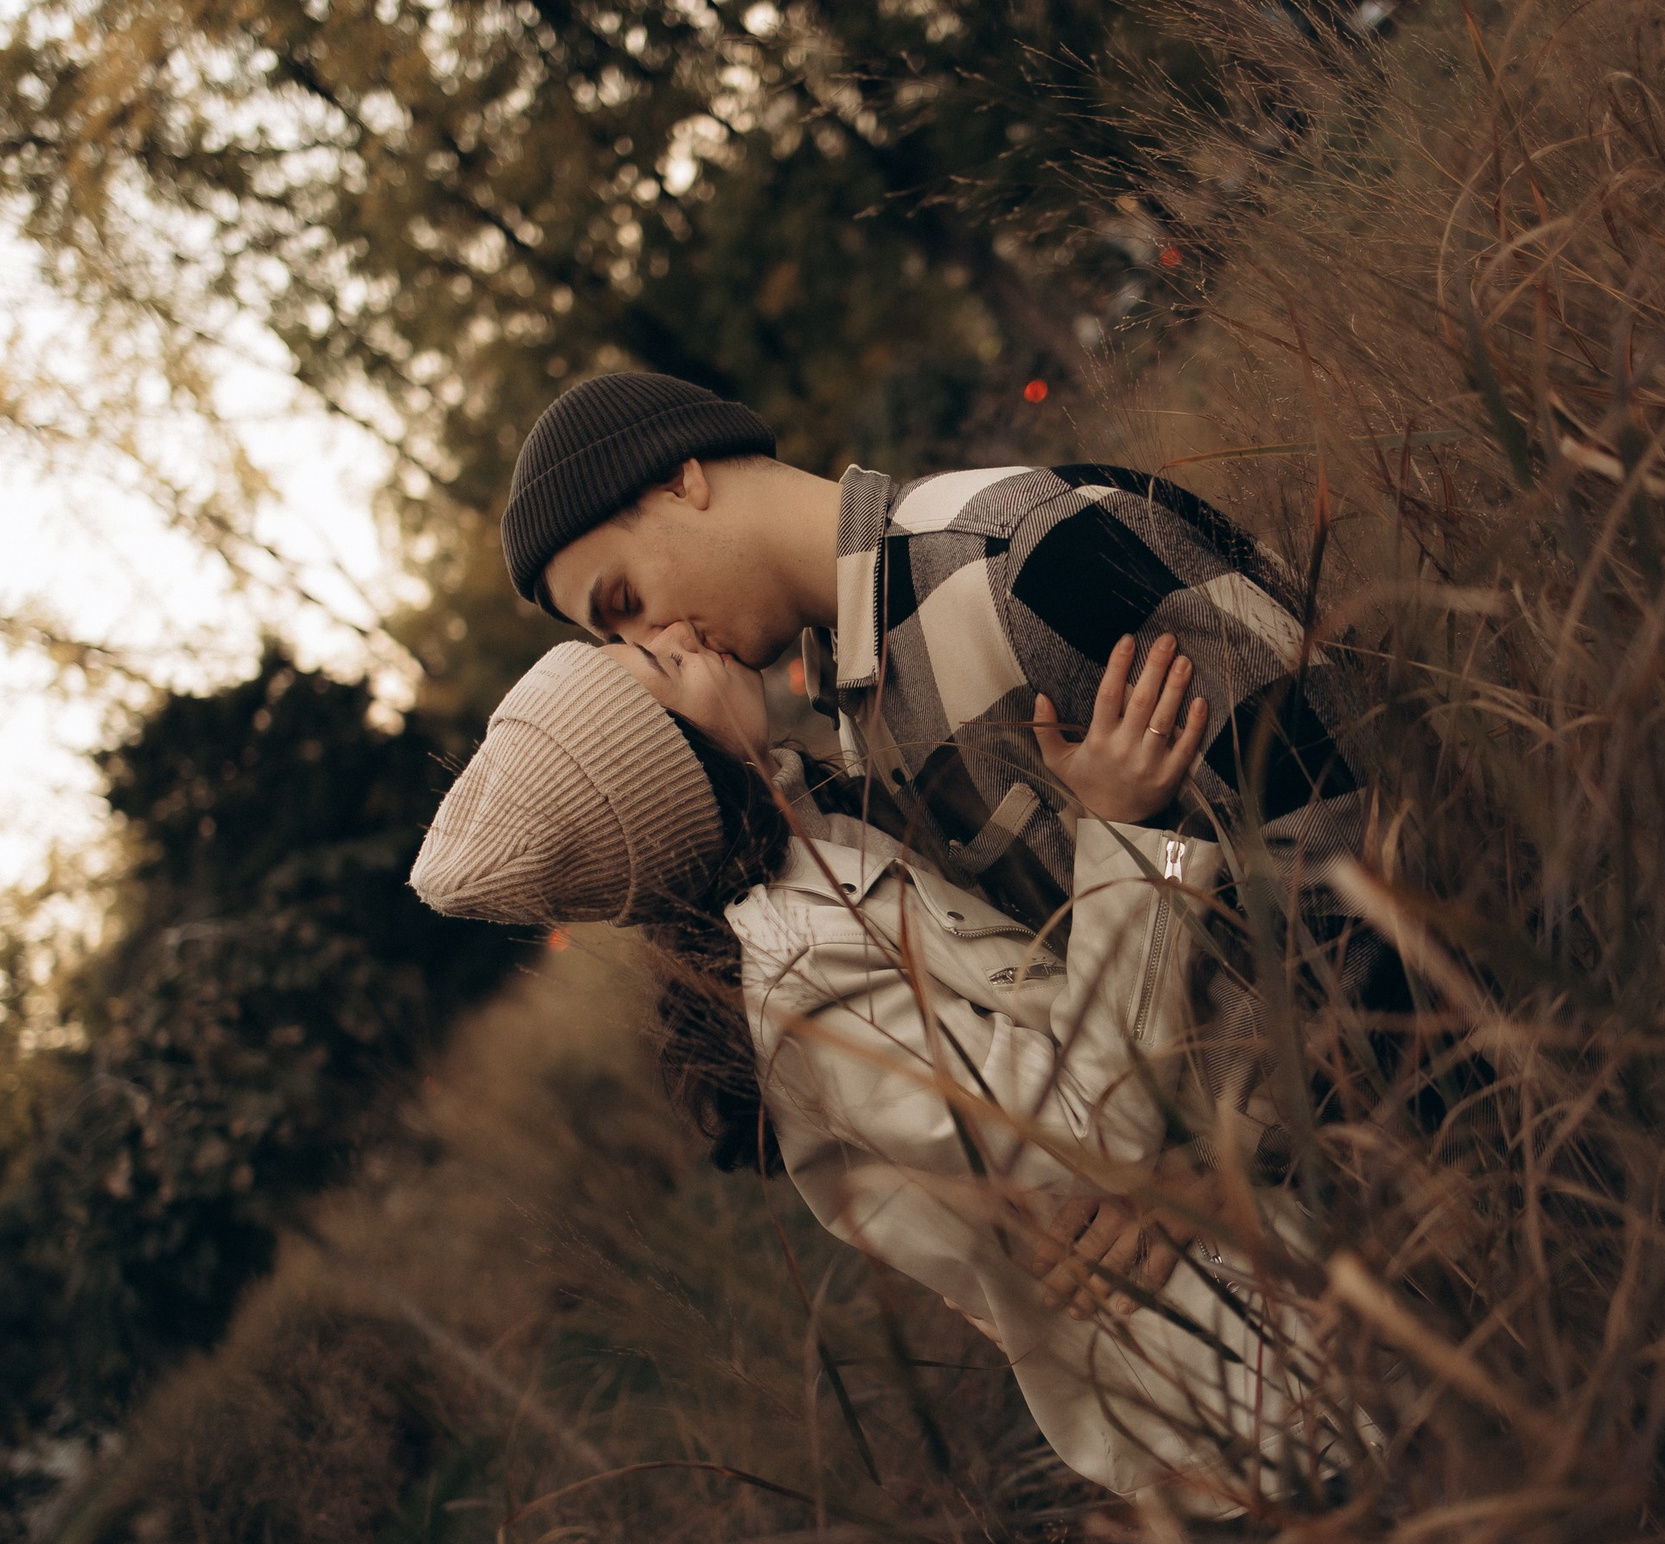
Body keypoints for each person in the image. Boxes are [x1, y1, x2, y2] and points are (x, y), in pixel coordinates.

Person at [407, 627, 1340, 1510]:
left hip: (1257, 1310)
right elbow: (1084, 1130)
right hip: (1257, 1377)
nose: (687, 634)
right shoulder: (802, 965)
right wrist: (1135, 835)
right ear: (670, 771)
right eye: (661, 661)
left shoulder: (814, 846)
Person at [492, 373, 1378, 1132]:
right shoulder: (854, 695)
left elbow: (1344, 832)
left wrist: (1210, 1159)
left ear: (683, 480)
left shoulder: (1022, 555)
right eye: (622, 635)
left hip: (1408, 1118)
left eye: (626, 598)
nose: (662, 637)